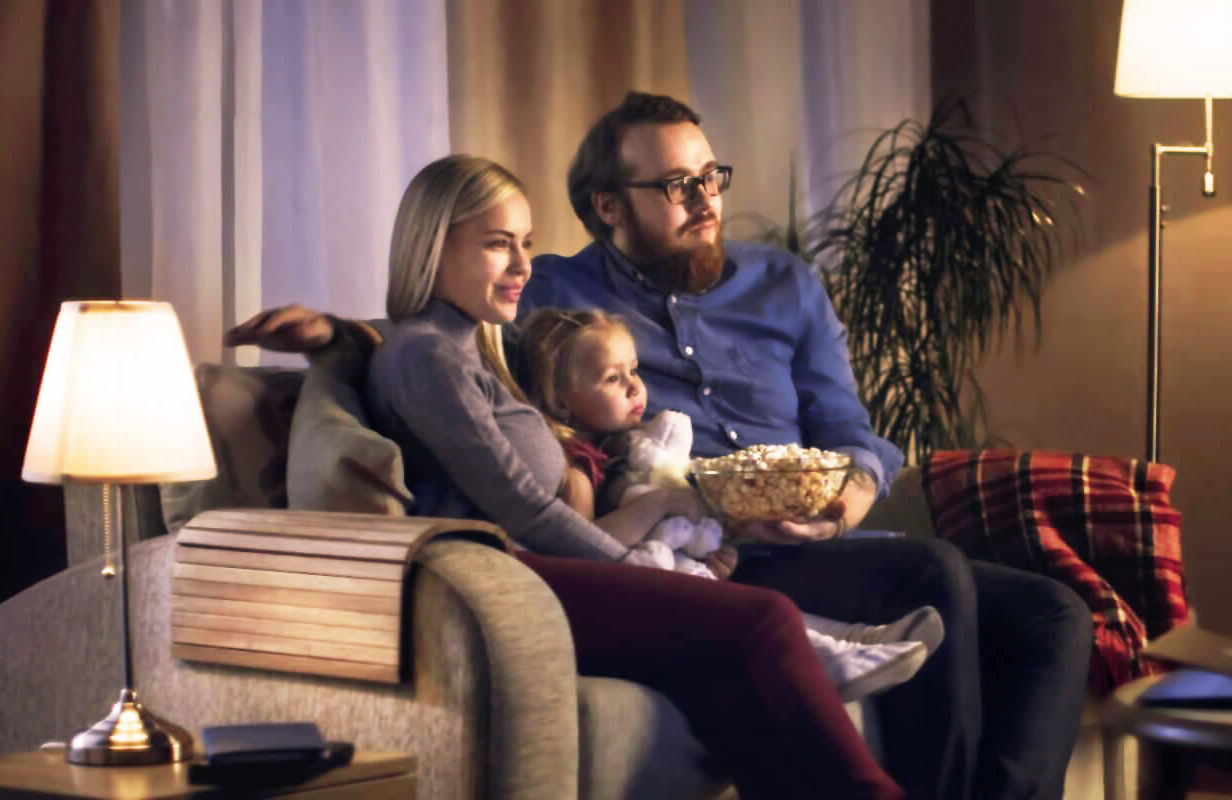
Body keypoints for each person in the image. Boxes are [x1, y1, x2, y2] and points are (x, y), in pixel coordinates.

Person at [228, 92, 1093, 800]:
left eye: (710, 177)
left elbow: (853, 434)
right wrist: (342, 333)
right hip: (683, 551)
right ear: (609, 207)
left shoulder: (785, 283)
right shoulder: (552, 296)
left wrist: (845, 503)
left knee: (1052, 614)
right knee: (926, 575)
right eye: (677, 186)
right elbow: (430, 339)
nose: (706, 200)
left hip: (806, 536)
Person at [358, 153, 903, 800]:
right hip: (503, 583)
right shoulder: (426, 354)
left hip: (533, 571)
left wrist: (342, 333)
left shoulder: (476, 342)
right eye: (498, 245)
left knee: (724, 686)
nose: (523, 268)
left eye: (526, 244)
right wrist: (638, 567)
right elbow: (524, 511)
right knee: (764, 618)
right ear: (432, 246)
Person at [516, 305, 941, 703]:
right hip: (638, 604)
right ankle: (837, 659)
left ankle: (861, 641)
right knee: (757, 613)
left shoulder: (628, 453)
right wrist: (662, 504)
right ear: (561, 400)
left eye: (634, 370)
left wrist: (709, 549)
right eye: (612, 379)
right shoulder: (575, 472)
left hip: (672, 573)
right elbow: (585, 554)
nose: (635, 387)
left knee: (747, 597)